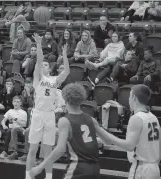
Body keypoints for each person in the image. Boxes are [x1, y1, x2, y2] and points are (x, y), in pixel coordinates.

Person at [29, 83, 109, 179]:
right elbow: (107, 141)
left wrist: (39, 167)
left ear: (65, 99)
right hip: (95, 169)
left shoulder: (65, 120)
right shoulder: (90, 119)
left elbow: (60, 150)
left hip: (77, 167)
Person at [91, 84, 161, 179]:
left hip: (141, 169)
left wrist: (99, 129)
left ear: (134, 97)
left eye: (129, 96)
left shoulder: (136, 118)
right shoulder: (153, 117)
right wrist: (152, 164)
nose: (129, 99)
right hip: (154, 168)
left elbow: (129, 146)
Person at [25, 33, 70, 179]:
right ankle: (28, 176)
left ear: (49, 69)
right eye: (42, 65)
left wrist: (64, 55)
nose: (43, 65)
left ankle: (48, 177)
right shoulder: (37, 79)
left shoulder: (54, 80)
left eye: (45, 64)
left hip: (50, 115)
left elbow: (67, 72)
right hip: (38, 114)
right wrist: (38, 44)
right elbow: (38, 61)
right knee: (32, 148)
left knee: (47, 150)